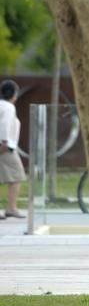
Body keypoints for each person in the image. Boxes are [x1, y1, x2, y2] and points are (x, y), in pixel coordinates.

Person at [0, 79, 27, 219]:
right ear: (14, 94)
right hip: (5, 147)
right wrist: (4, 143)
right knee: (17, 175)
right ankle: (11, 208)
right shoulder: (9, 107)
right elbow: (4, 124)